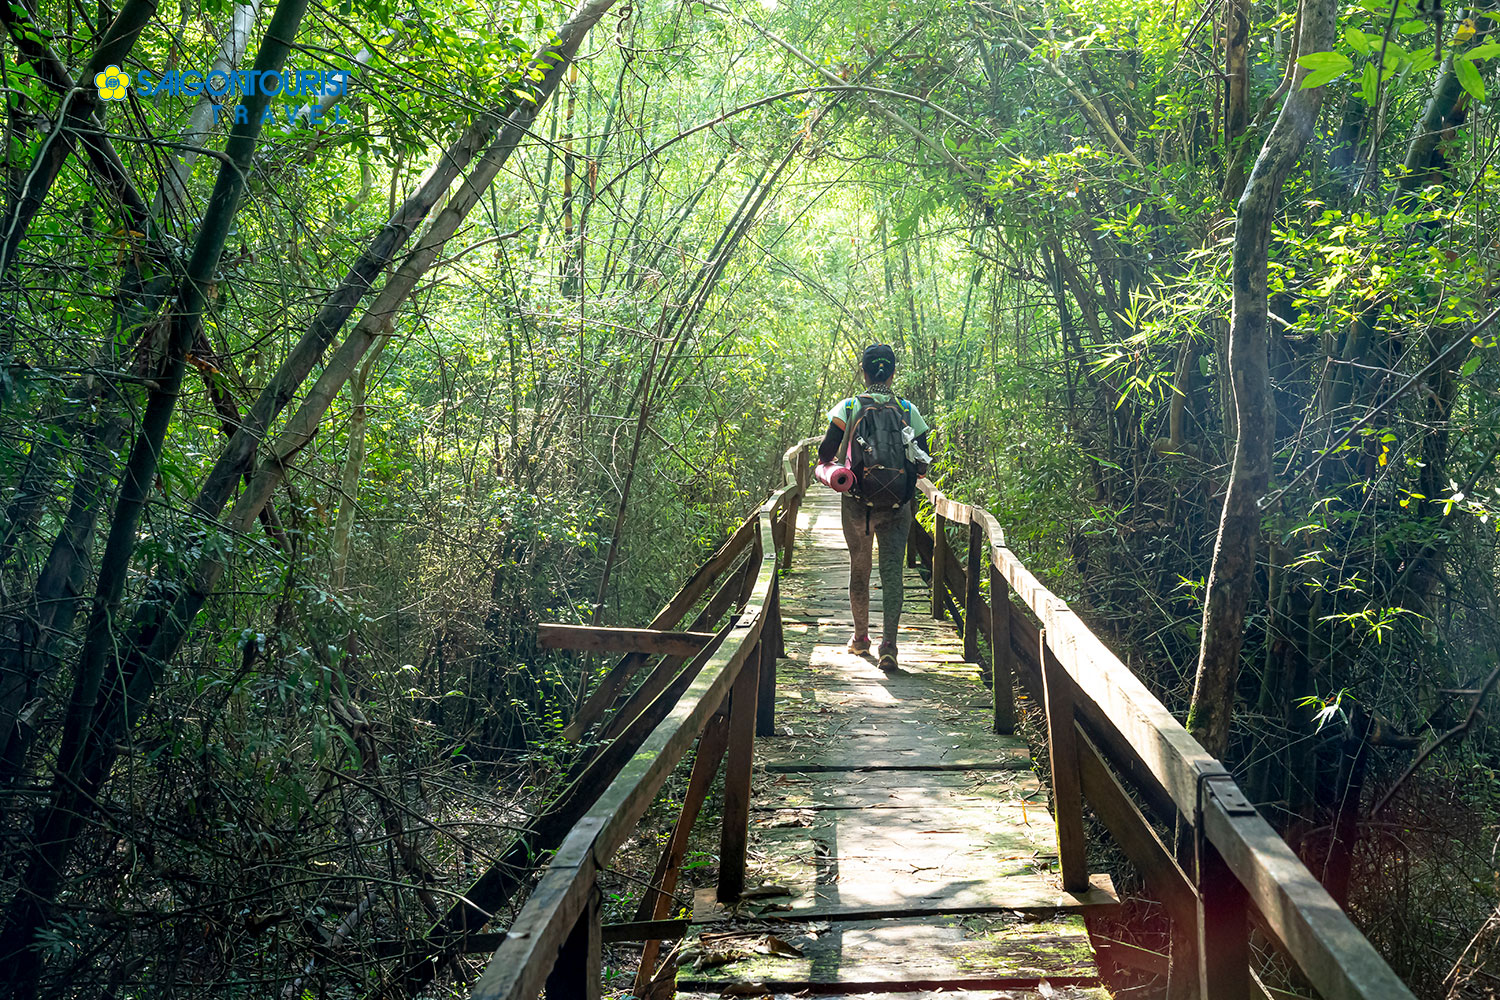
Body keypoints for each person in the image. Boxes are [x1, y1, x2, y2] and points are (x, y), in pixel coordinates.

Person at [817, 344, 931, 672]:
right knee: (893, 572)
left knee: (859, 567)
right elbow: (922, 466)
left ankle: (861, 639)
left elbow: (826, 452)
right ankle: (890, 647)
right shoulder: (909, 410)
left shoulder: (849, 407)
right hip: (897, 505)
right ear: (893, 373)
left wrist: (834, 465)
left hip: (856, 503)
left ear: (863, 372)